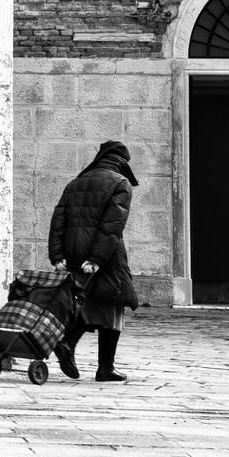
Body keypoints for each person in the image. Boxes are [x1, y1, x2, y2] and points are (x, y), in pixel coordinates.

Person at [48, 139, 141, 383]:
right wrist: (97, 258)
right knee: (114, 303)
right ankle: (103, 366)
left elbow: (58, 222)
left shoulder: (75, 183)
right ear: (121, 162)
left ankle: (69, 343)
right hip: (104, 256)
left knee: (85, 302)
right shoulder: (120, 184)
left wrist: (57, 256)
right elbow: (112, 226)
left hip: (73, 255)